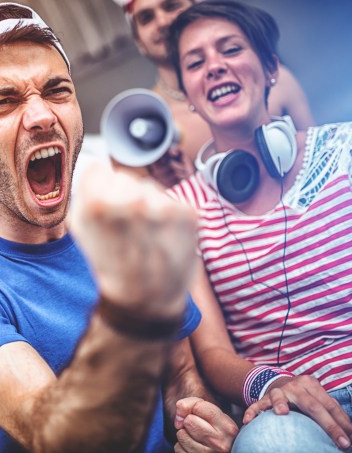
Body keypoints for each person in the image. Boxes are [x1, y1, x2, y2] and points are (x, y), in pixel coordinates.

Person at [0, 3, 240, 452]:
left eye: (56, 90)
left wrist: (200, 427)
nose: (42, 115)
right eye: (4, 101)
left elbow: (179, 377)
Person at [163, 1, 352, 451]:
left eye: (230, 49)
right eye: (195, 62)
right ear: (188, 94)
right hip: (291, 413)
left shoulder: (344, 145)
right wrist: (270, 383)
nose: (214, 67)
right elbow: (211, 353)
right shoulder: (177, 209)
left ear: (271, 68)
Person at [110, 0, 315, 187]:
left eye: (171, 6)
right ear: (138, 41)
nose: (162, 22)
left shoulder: (280, 82)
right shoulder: (129, 134)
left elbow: (317, 159)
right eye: (147, 18)